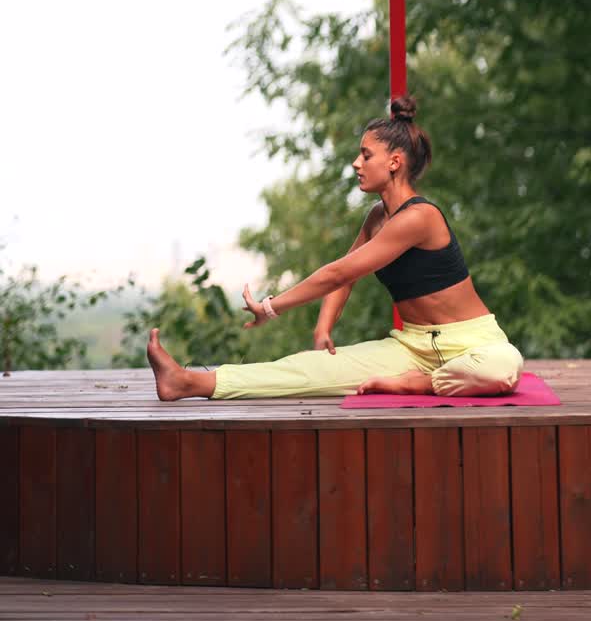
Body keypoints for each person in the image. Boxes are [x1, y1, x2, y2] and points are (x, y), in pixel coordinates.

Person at [147, 95, 523, 401]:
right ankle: (187, 382)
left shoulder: (419, 216)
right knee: (310, 369)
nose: (356, 163)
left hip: (473, 345)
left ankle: (421, 383)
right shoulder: (378, 217)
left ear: (395, 162)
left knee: (502, 367)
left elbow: (336, 274)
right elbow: (347, 276)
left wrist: (270, 307)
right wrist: (323, 327)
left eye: (366, 155)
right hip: (410, 348)